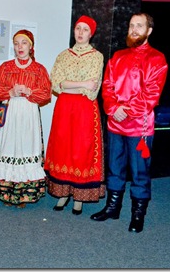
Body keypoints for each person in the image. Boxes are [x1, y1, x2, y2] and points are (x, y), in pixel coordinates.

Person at [90, 13, 168, 233]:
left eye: (139, 26)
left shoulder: (157, 59)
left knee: (139, 171)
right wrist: (114, 109)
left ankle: (137, 214)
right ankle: (112, 208)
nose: (134, 29)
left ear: (149, 30)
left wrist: (128, 110)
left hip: (139, 127)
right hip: (115, 123)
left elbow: (152, 94)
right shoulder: (118, 56)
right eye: (131, 25)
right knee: (114, 168)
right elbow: (107, 86)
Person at [44, 16, 105, 215]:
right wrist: (81, 84)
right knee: (63, 148)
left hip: (85, 110)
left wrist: (67, 85)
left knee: (81, 149)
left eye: (85, 29)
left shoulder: (97, 56)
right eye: (78, 28)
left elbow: (92, 90)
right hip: (64, 109)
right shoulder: (63, 55)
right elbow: (55, 84)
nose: (80, 33)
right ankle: (63, 194)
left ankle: (79, 197)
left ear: (91, 33)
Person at [0, 29, 51, 208]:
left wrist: (30, 92)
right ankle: (6, 192)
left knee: (25, 147)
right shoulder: (6, 67)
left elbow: (46, 93)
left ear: (31, 46)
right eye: (16, 43)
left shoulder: (39, 69)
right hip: (10, 113)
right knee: (8, 147)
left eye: (24, 43)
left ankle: (25, 192)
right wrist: (10, 92)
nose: (20, 47)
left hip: (28, 115)